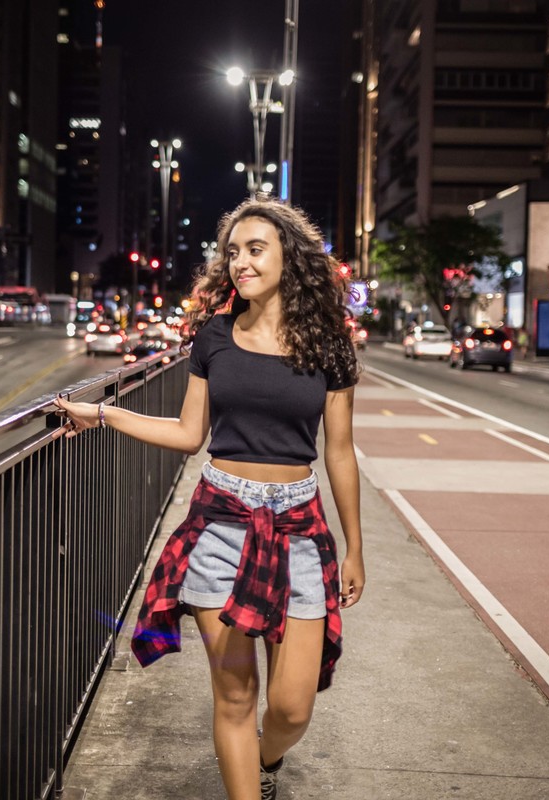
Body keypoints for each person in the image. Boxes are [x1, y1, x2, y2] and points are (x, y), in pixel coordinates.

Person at [54, 197, 364, 800]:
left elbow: (341, 453)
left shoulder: (329, 345)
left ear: (289, 258)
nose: (240, 262)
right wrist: (104, 414)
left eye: (255, 249)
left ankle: (263, 762)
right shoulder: (213, 338)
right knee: (235, 695)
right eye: (233, 252)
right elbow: (189, 435)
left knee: (293, 708)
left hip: (298, 526)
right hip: (219, 523)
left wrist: (355, 549)